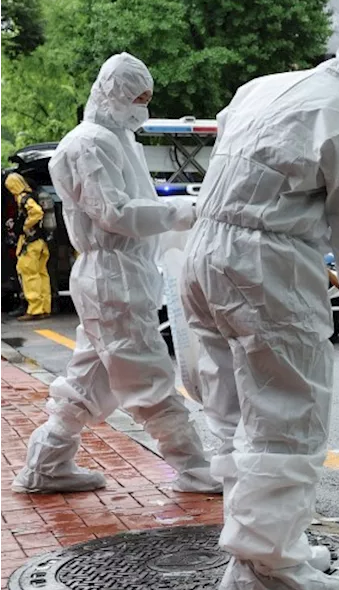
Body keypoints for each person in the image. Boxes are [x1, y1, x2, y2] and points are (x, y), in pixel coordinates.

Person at [181, 27, 339, 590]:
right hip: (266, 267)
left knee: (234, 410)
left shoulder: (268, 85)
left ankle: (268, 543)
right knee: (286, 415)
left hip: (204, 251)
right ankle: (266, 567)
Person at [11, 53, 218, 496]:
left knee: (87, 381)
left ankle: (44, 466)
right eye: (137, 96)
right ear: (113, 93)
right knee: (147, 373)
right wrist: (185, 210)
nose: (142, 105)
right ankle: (195, 467)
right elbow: (115, 213)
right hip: (112, 277)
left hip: (121, 275)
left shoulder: (115, 138)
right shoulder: (90, 143)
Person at [7, 173, 52, 321]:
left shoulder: (23, 198)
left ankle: (35, 310)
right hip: (41, 241)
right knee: (41, 274)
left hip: (31, 243)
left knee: (28, 274)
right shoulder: (32, 194)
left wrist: (25, 226)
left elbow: (37, 212)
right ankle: (45, 307)